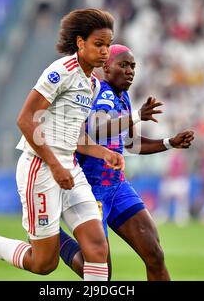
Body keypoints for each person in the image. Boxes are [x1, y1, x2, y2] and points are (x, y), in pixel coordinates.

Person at [0, 8, 125, 281]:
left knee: (98, 248)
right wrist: (54, 166)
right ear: (80, 43)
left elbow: (73, 136)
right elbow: (26, 120)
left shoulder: (91, 83)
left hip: (68, 169)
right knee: (43, 263)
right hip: (40, 168)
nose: (105, 52)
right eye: (98, 44)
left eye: (108, 45)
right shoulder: (60, 71)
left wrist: (103, 153)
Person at [58, 44, 195, 281]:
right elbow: (96, 131)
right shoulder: (99, 92)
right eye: (123, 65)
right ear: (106, 67)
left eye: (133, 65)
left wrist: (169, 142)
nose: (130, 70)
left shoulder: (124, 97)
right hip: (89, 191)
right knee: (101, 272)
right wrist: (137, 116)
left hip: (117, 187)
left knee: (154, 254)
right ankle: (53, 237)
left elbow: (130, 143)